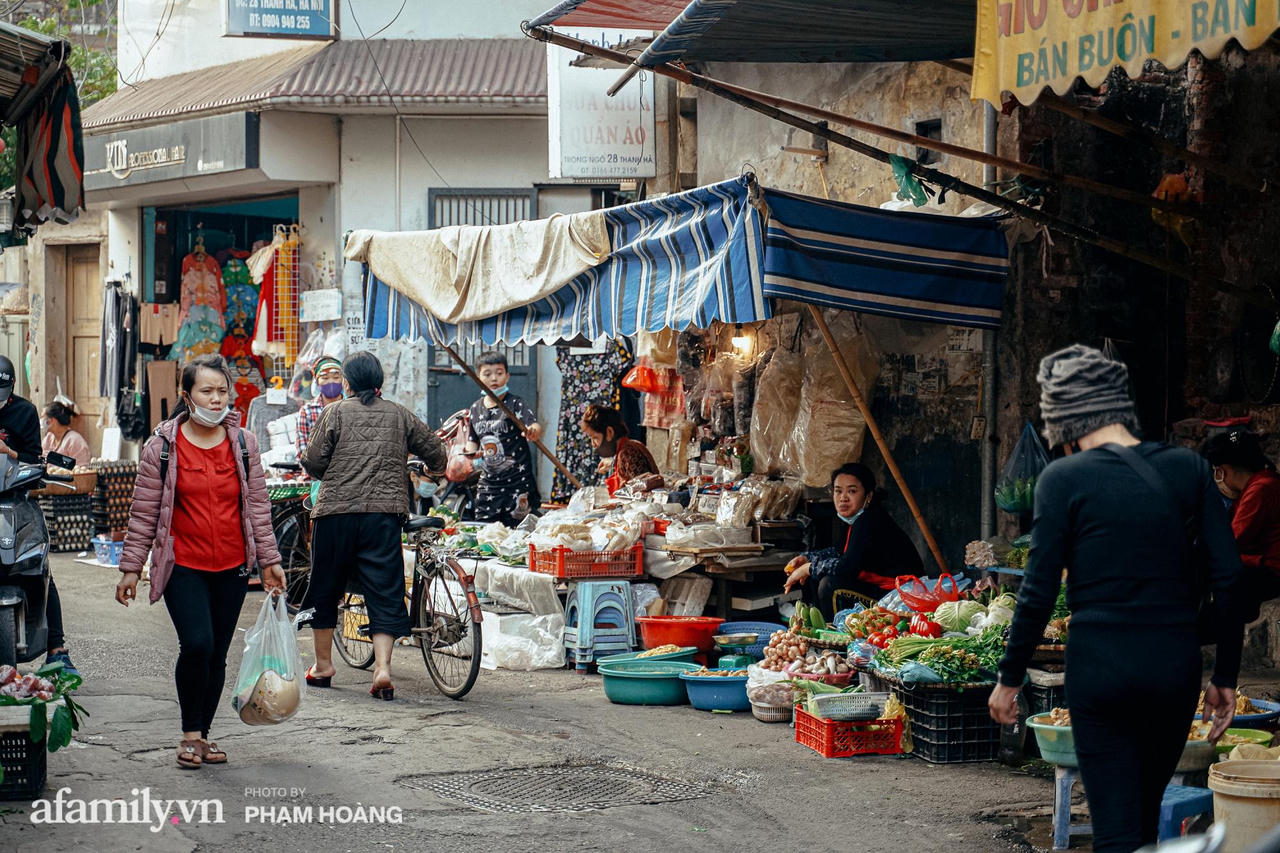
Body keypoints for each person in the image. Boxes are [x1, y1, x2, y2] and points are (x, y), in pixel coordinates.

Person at [989, 344, 1244, 853]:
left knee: (1115, 829)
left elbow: (1037, 592)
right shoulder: (1188, 469)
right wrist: (1226, 678)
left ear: (1065, 419)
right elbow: (1231, 580)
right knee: (1144, 821)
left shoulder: (1063, 479)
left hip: (1100, 666)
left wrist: (1009, 679)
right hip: (1172, 665)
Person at [115, 354, 285, 770]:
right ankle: (189, 734)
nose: (215, 399)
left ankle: (204, 736)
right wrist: (131, 568)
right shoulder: (163, 447)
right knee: (197, 644)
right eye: (206, 391)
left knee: (217, 655)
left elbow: (258, 507)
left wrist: (269, 560)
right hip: (182, 565)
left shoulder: (244, 443)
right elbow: (144, 511)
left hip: (231, 567)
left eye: (222, 391)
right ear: (187, 396)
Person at [300, 351, 447, 701]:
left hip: (335, 513)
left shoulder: (334, 412)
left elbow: (313, 460)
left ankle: (323, 667)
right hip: (383, 515)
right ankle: (382, 670)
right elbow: (438, 454)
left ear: (347, 383)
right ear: (380, 382)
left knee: (326, 587)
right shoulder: (399, 414)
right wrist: (426, 471)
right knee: (384, 588)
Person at [0, 357, 77, 676]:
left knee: (39, 563)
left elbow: (34, 457)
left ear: (12, 388)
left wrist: (9, 453)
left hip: (18, 497)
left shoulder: (25, 411)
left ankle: (57, 649)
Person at [781, 462, 922, 620]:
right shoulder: (853, 521)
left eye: (852, 491)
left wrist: (809, 567)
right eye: (838, 491)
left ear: (868, 496)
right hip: (880, 589)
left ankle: (835, 637)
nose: (843, 498)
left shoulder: (870, 520)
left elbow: (847, 567)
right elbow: (838, 551)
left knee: (830, 585)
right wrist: (808, 559)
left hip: (899, 595)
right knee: (817, 574)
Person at [1202, 428, 1280, 622]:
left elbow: (1231, 543)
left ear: (1222, 469)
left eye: (1215, 471)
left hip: (1272, 572)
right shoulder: (1257, 484)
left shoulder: (1261, 489)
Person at [466, 352, 540, 525]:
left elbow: (534, 425)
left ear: (507, 376)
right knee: (486, 531)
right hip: (488, 484)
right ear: (478, 377)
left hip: (517, 482)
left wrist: (533, 431)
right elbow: (472, 441)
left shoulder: (516, 404)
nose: (494, 378)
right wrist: (469, 456)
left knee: (519, 532)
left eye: (499, 373)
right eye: (487, 374)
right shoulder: (475, 409)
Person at [579, 403, 659, 495]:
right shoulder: (628, 448)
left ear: (610, 432)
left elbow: (640, 494)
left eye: (595, 438)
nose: (593, 444)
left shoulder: (628, 452)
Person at [296, 356, 344, 458]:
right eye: (325, 378)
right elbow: (303, 450)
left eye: (336, 377)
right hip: (316, 471)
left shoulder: (352, 409)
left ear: (343, 380)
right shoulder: (307, 411)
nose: (331, 382)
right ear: (317, 382)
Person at [41, 400, 91, 467]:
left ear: (52, 421)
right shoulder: (49, 438)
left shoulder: (75, 441)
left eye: (43, 417)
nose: (41, 420)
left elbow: (81, 470)